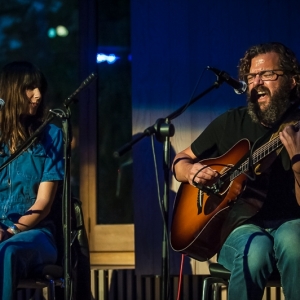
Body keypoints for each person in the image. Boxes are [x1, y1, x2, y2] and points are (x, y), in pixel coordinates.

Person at [172, 42, 300, 300]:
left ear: (293, 81)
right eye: (252, 76)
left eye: (268, 74)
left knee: (294, 244)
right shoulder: (231, 122)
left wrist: (297, 163)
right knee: (256, 250)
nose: (257, 82)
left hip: (292, 221)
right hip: (239, 227)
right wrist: (193, 172)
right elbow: (181, 160)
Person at [0, 61, 64, 299]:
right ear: (11, 91)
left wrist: (11, 231)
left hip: (34, 233)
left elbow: (44, 204)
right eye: (30, 88)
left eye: (40, 88)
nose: (38, 95)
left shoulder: (52, 136)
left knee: (9, 251)